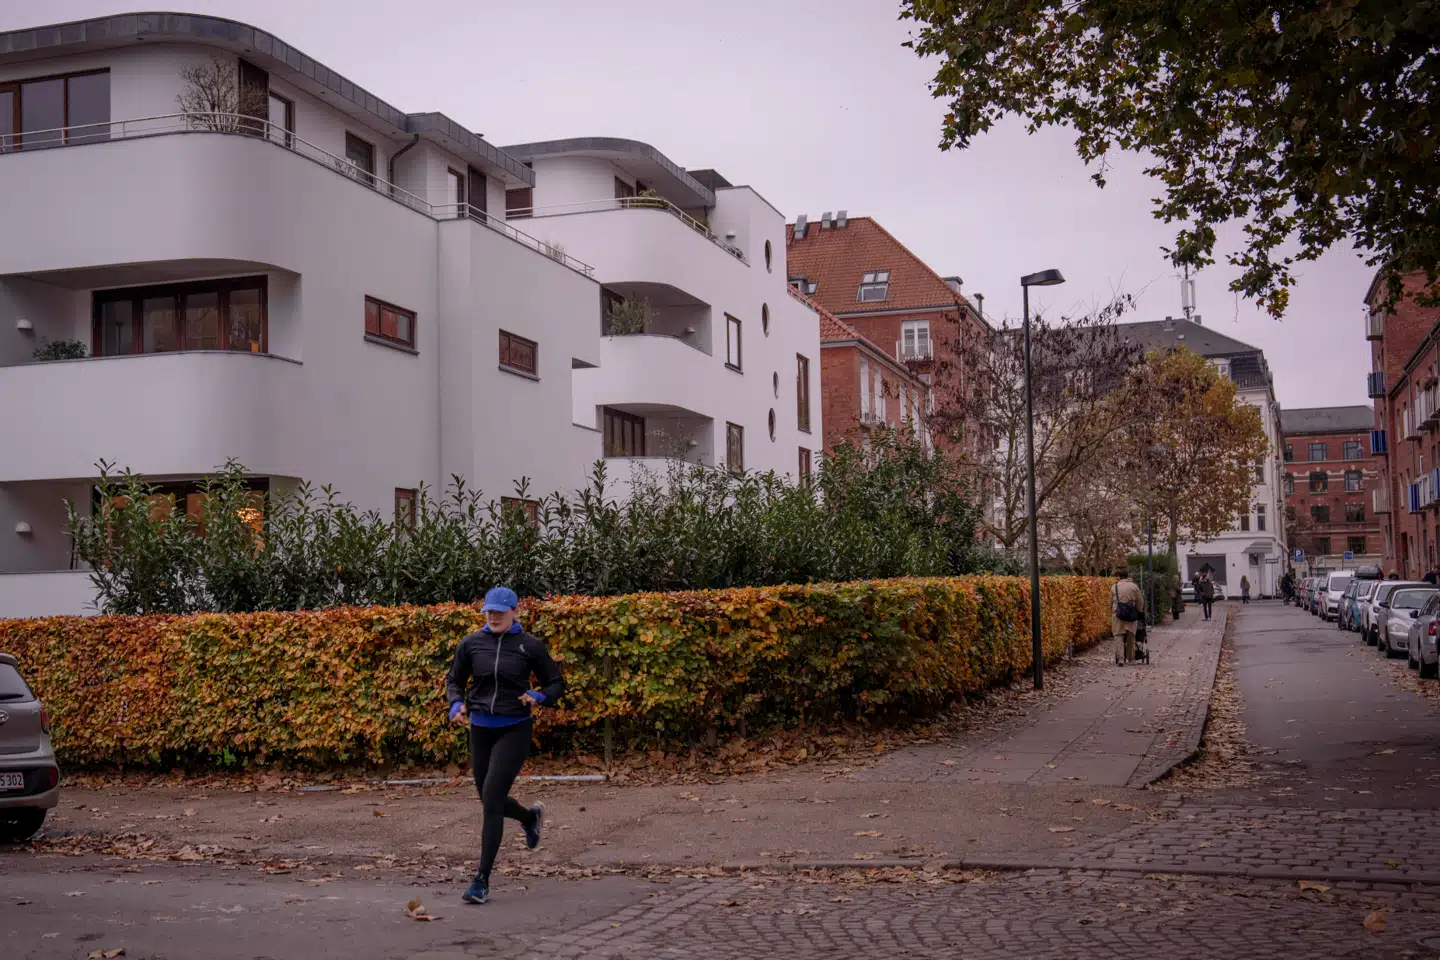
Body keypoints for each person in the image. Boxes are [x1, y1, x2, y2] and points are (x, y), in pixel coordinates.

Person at [446, 586, 564, 906]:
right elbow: (454, 680)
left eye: (500, 611)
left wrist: (540, 696)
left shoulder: (530, 646)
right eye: (489, 611)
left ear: (515, 612)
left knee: (493, 797)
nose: (493, 616)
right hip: (481, 729)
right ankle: (529, 818)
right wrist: (456, 704)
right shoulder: (471, 644)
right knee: (487, 797)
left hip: (514, 728)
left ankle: (481, 880)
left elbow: (555, 683)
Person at [1112, 570, 1145, 663]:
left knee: (1118, 635)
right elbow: (1140, 601)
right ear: (1127, 576)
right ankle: (1131, 657)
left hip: (1118, 614)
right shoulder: (1134, 586)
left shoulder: (1114, 587)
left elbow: (1110, 602)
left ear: (1118, 577)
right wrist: (1139, 611)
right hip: (1131, 614)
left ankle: (1121, 658)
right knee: (1131, 635)